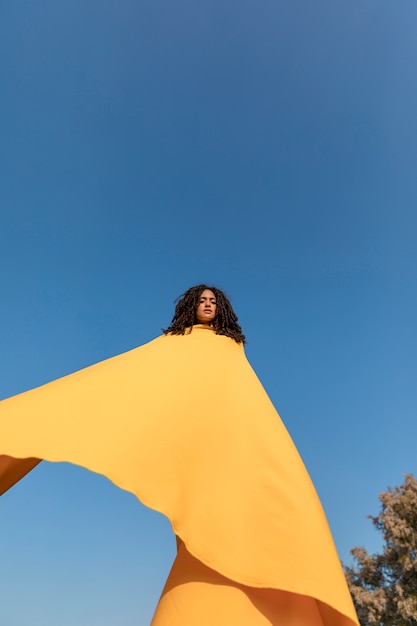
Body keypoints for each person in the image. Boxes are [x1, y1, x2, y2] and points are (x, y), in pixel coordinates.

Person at [0, 285, 359, 626]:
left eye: (214, 301)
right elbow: (136, 375)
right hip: (188, 440)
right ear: (191, 305)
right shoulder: (175, 343)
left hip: (230, 441)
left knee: (249, 520)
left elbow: (236, 396)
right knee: (209, 527)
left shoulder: (229, 347)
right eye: (202, 300)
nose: (208, 304)